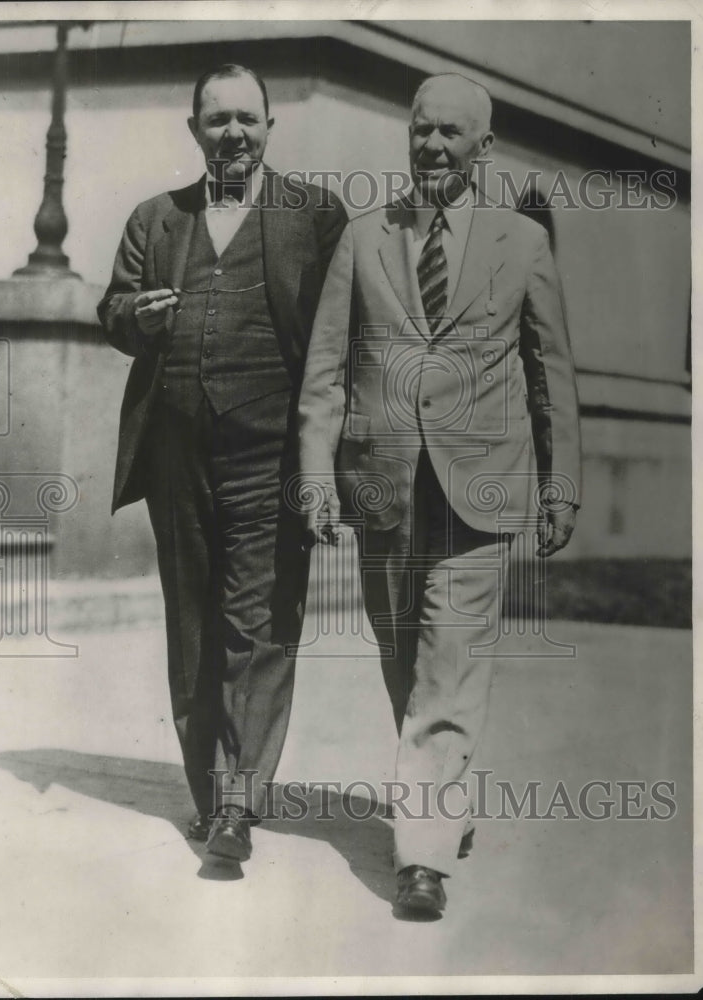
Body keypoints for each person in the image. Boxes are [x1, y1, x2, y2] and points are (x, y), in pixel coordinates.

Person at [297, 73, 581, 916]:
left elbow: (549, 372)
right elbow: (324, 374)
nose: (430, 147)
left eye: (450, 134)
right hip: (382, 483)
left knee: (447, 667)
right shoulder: (362, 238)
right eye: (420, 131)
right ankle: (442, 797)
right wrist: (315, 478)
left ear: (481, 148)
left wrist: (558, 484)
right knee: (404, 663)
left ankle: (419, 856)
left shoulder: (522, 242)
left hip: (479, 484)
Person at [98, 64, 347, 865]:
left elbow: (346, 336)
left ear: (270, 126)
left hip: (270, 452)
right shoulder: (156, 219)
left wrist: (331, 462)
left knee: (258, 623)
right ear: (194, 131)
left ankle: (238, 806)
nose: (232, 134)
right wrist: (135, 315)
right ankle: (208, 797)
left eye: (247, 119)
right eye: (216, 121)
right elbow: (112, 309)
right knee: (193, 625)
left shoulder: (313, 214)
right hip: (175, 450)